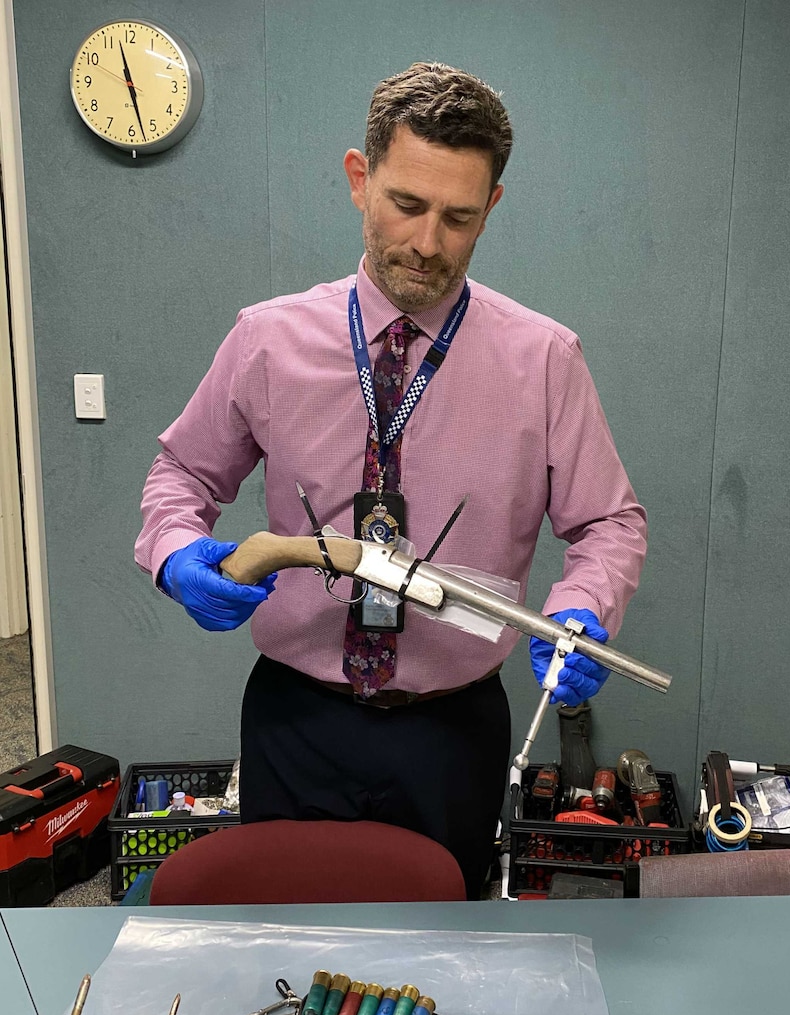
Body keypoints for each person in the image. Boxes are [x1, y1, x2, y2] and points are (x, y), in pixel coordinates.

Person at [135, 61, 647, 899]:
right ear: (358, 178)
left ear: (493, 210)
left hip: (452, 728)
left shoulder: (545, 360)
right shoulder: (265, 341)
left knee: (439, 959)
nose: (427, 243)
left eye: (459, 217)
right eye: (407, 204)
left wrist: (584, 609)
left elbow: (609, 523)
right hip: (294, 718)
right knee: (284, 947)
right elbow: (182, 471)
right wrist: (174, 552)